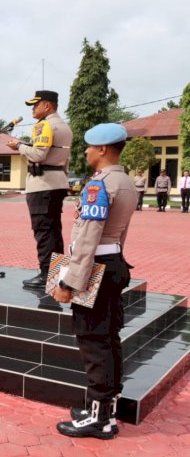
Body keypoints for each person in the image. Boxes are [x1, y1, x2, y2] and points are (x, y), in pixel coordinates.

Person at [52, 123, 137, 440]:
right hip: (113, 262)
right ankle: (105, 409)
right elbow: (119, 233)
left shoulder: (98, 186)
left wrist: (70, 282)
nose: (85, 152)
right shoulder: (126, 182)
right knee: (108, 338)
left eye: (88, 147)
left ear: (102, 149)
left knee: (93, 342)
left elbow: (87, 239)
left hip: (95, 267)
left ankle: (100, 421)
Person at [6, 90, 73, 288]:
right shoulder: (64, 126)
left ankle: (46, 274)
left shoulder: (45, 125)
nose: (33, 109)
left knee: (43, 231)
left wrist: (18, 145)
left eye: (36, 105)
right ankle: (57, 272)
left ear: (48, 106)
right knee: (53, 230)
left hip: (43, 184)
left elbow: (38, 154)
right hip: (57, 181)